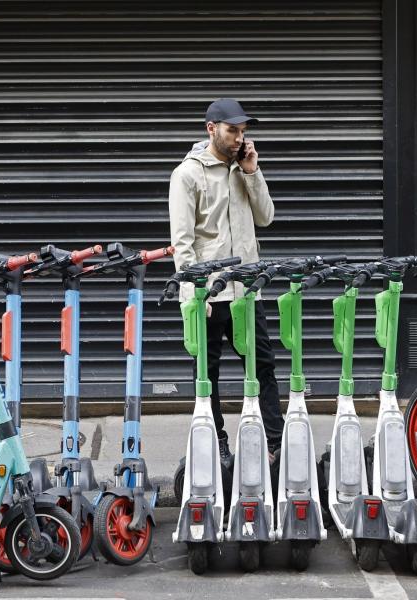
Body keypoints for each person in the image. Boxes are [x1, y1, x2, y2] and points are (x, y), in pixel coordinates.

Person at [168, 98, 284, 463]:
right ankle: (216, 442)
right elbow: (183, 243)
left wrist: (252, 171)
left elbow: (266, 217)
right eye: (232, 130)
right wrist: (193, 296)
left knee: (263, 365)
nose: (238, 138)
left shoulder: (242, 167)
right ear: (211, 129)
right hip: (210, 294)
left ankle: (275, 443)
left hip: (247, 291)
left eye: (243, 132)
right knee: (208, 372)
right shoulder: (187, 175)